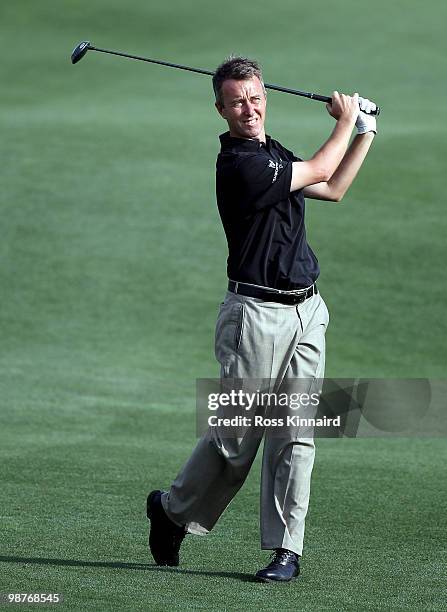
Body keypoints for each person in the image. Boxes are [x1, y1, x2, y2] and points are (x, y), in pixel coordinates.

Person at [146, 56, 377, 582]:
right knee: (235, 439)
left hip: (307, 312)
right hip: (254, 315)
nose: (247, 109)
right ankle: (172, 510)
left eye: (253, 98)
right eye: (235, 101)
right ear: (221, 109)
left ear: (265, 97)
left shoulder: (273, 153)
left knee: (296, 434)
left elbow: (332, 188)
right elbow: (319, 169)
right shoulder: (240, 165)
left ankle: (286, 550)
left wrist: (365, 132)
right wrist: (344, 119)